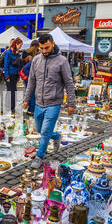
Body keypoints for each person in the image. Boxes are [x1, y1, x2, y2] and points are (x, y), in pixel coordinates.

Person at [23, 33, 76, 169]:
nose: (44, 51)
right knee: (40, 129)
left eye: (46, 48)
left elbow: (69, 83)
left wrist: (71, 103)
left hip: (54, 102)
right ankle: (56, 136)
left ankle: (40, 156)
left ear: (52, 44)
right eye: (41, 48)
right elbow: (32, 81)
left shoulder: (62, 61)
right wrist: (26, 99)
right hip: (38, 103)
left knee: (45, 131)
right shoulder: (36, 60)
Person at [4, 37, 23, 114]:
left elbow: (18, 65)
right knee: (11, 91)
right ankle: (10, 108)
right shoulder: (8, 52)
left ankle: (11, 107)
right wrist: (7, 76)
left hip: (15, 74)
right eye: (20, 45)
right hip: (10, 74)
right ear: (16, 44)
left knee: (13, 91)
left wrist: (18, 75)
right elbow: (6, 65)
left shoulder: (17, 53)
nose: (20, 47)